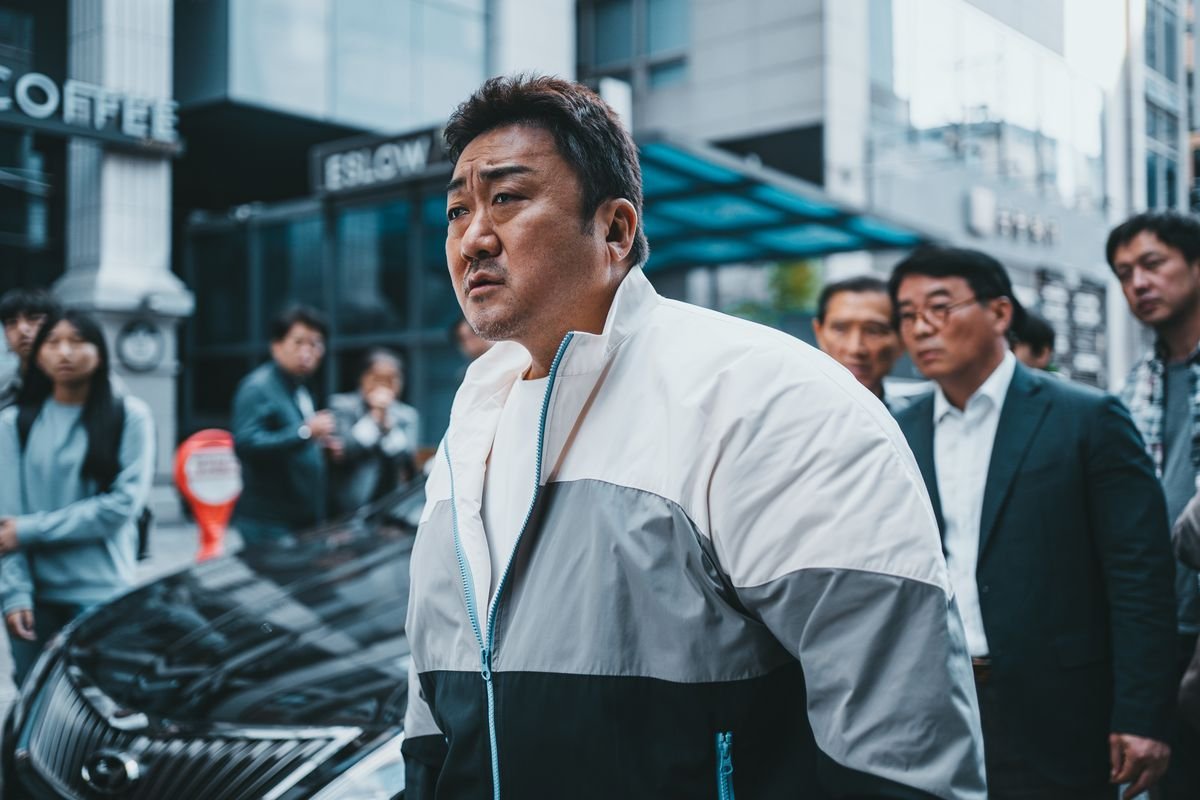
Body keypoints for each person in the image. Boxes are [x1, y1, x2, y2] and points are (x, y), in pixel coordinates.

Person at [402, 74, 985, 799]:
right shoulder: (468, 429)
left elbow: (898, 755)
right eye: (457, 210)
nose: (473, 236)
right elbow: (430, 724)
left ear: (614, 230)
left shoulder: (772, 400)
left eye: (507, 198)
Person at [889, 245, 1177, 800]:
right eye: (906, 315)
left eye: (939, 307)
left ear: (999, 313)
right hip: (933, 699)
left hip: (1058, 704)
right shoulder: (899, 427)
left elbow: (1139, 576)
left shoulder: (1087, 417)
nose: (921, 328)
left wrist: (1143, 715)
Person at [0, 309, 154, 685]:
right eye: (52, 343)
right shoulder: (14, 423)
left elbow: (121, 507)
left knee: (103, 697)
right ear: (37, 356)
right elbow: (6, 522)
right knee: (35, 701)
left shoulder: (129, 416)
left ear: (99, 353)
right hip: (36, 599)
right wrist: (14, 593)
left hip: (103, 593)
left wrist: (31, 530)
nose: (64, 352)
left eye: (77, 341)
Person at [1107, 210, 1200, 798]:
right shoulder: (1130, 387)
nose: (1137, 283)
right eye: (1123, 273)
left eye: (1152, 263)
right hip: (1160, 626)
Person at [231, 306, 335, 546]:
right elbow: (246, 444)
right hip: (268, 523)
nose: (307, 352)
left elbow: (294, 440)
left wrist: (321, 446)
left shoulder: (300, 386)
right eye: (298, 342)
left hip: (300, 520)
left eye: (315, 344)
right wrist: (306, 432)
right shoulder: (257, 388)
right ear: (276, 346)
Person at [328, 348, 420, 515]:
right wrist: (374, 419)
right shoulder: (341, 405)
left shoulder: (407, 415)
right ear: (362, 378)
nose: (384, 386)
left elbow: (407, 460)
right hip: (349, 507)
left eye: (391, 379)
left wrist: (388, 426)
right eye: (377, 378)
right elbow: (345, 450)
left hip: (393, 507)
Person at [811, 275, 903, 406]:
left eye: (873, 331)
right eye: (840, 329)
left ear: (901, 340)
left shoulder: (918, 421)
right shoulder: (783, 417)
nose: (855, 349)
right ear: (818, 332)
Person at [0, 288, 60, 409]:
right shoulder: (5, 387)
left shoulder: (71, 382)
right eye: (12, 322)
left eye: (33, 319)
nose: (22, 329)